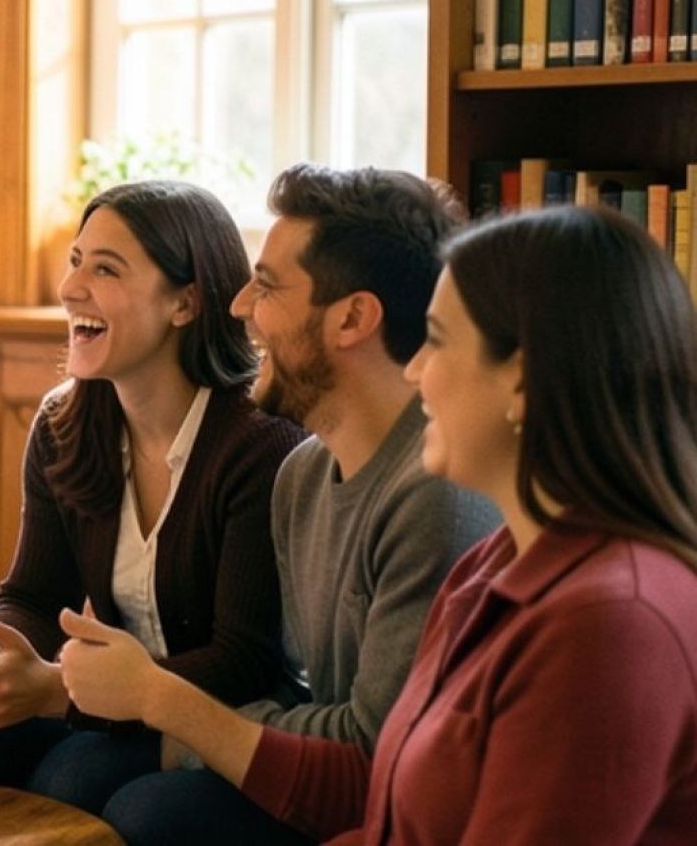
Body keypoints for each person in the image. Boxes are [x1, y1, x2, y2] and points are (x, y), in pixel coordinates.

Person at [61, 203, 697, 842]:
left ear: (522, 382)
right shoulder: (493, 566)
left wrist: (161, 702)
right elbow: (374, 785)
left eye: (438, 341)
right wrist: (163, 705)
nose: (415, 370)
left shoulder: (608, 624)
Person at [59, 165, 500, 845]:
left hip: (404, 809)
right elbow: (307, 696)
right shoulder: (302, 475)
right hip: (327, 772)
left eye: (265, 286)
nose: (238, 306)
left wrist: (162, 703)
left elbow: (376, 753)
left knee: (151, 812)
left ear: (352, 318)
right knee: (91, 780)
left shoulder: (434, 492)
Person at [0, 180, 304, 815]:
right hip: (95, 699)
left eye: (105, 269)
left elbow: (242, 661)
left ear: (185, 302)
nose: (70, 288)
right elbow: (33, 598)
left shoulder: (260, 442)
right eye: (75, 261)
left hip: (219, 716)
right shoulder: (64, 426)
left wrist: (57, 691)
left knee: (74, 777)